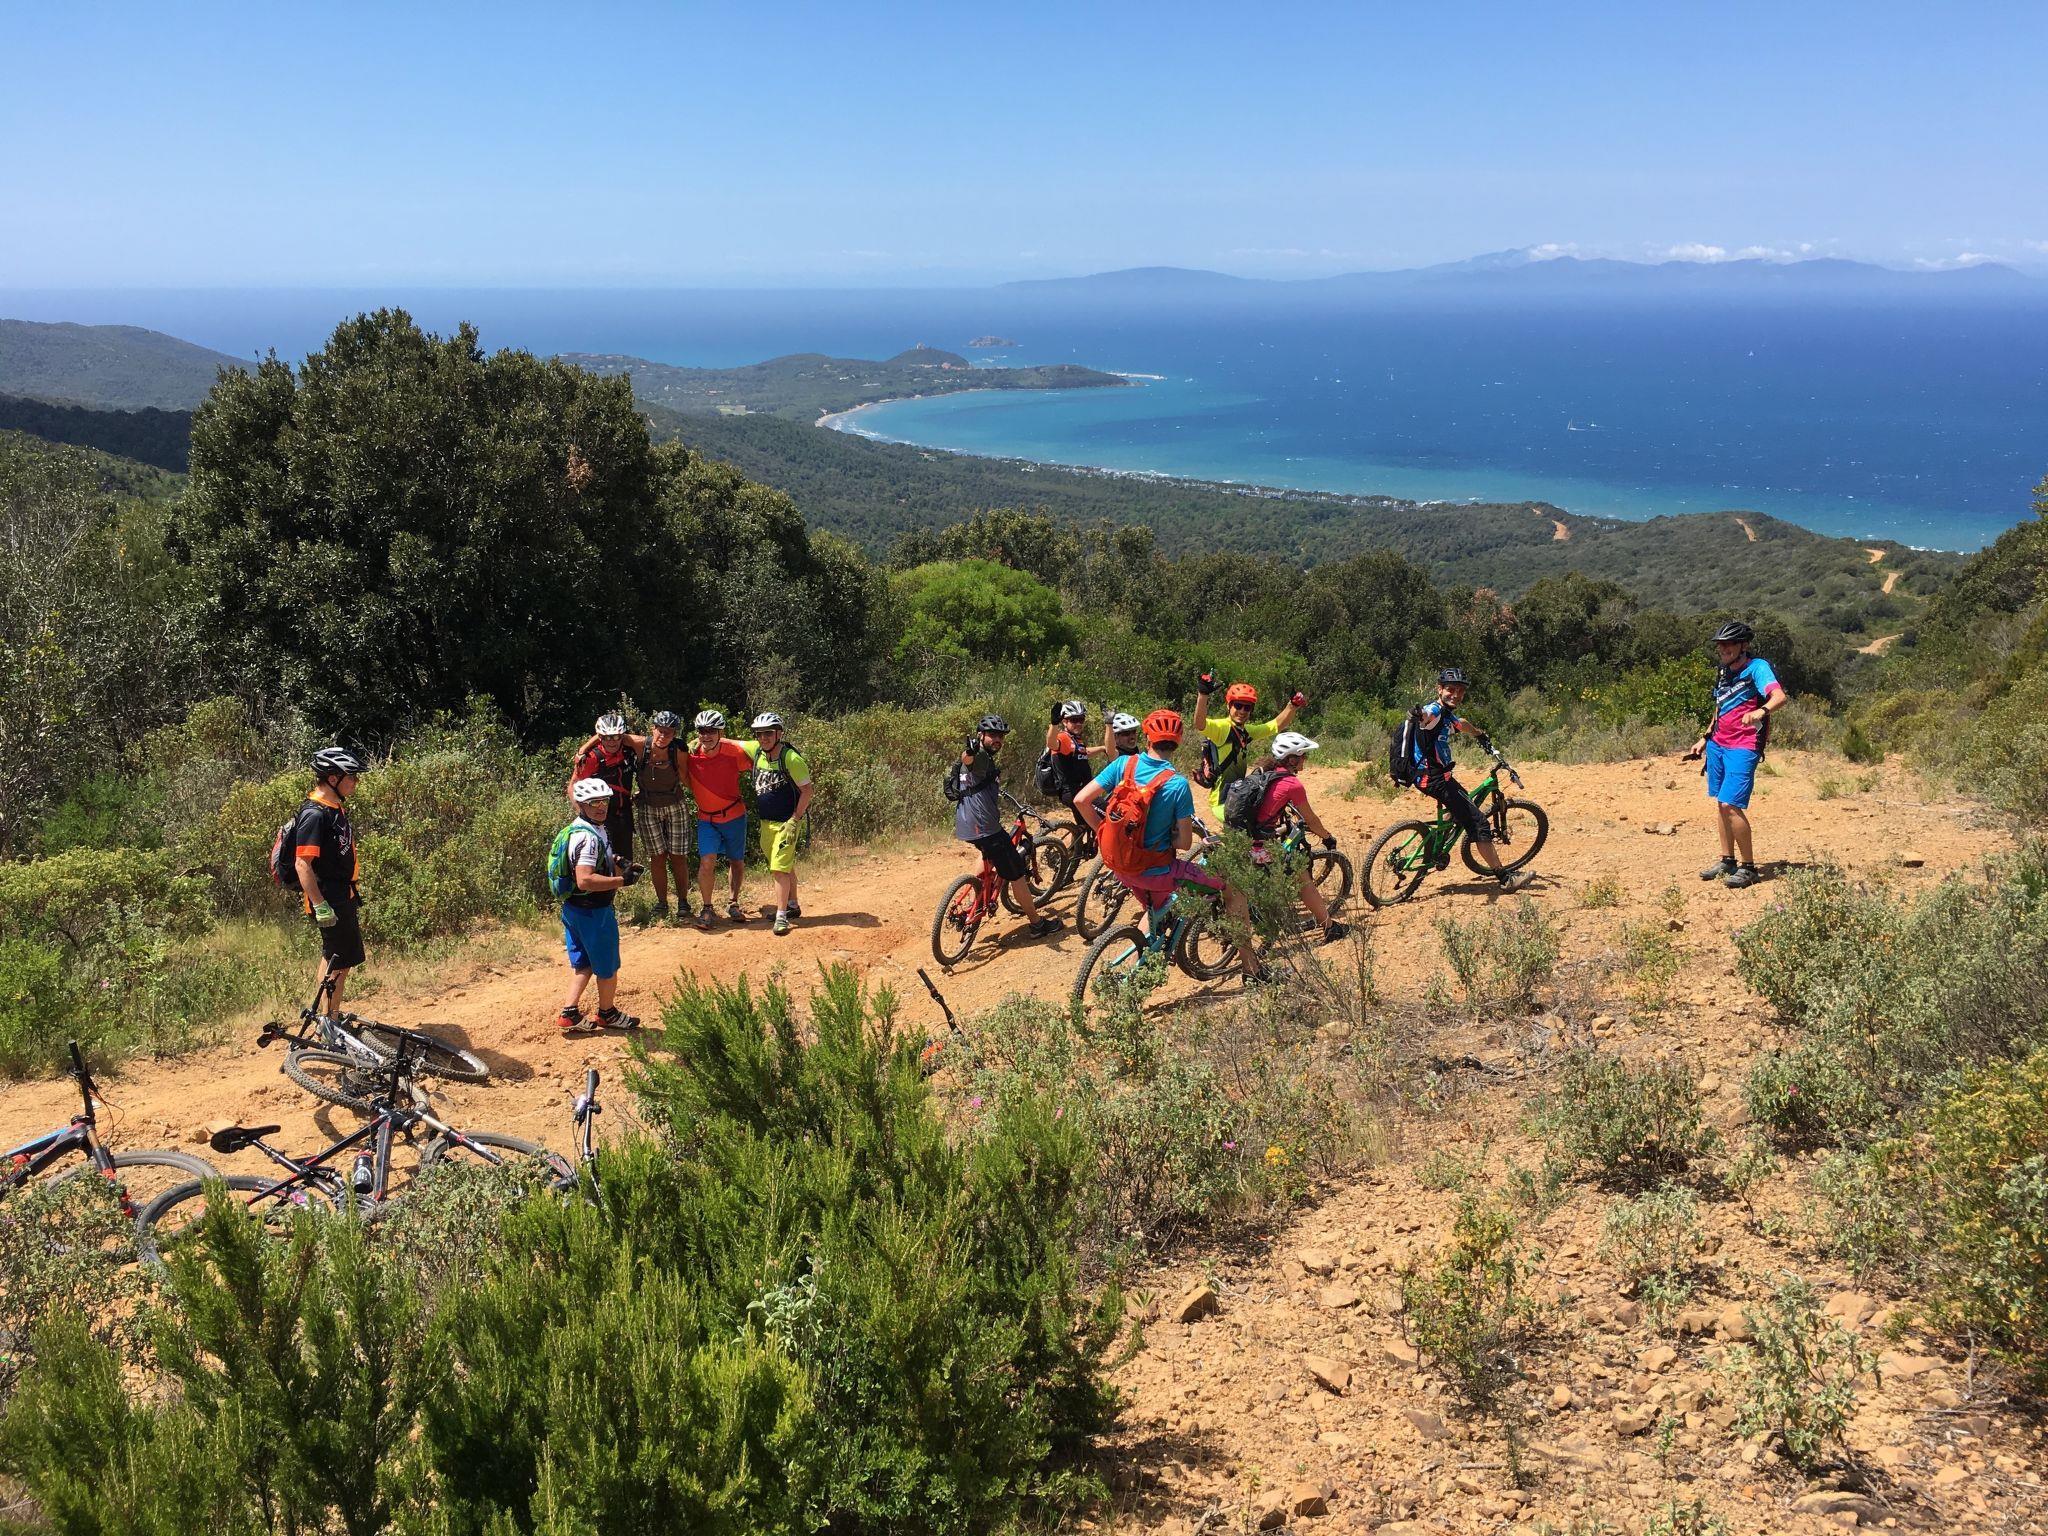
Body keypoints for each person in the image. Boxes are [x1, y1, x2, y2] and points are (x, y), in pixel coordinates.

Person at [1072, 707, 1261, 980]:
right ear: (1178, 742)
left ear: (1147, 738)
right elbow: (1184, 843)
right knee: (1233, 889)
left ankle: (1141, 966)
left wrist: (1103, 830)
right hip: (1156, 871)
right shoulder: (1177, 785)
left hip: (1120, 866)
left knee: (1157, 907)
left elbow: (1080, 800)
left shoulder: (1123, 765)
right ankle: (1252, 970)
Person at [1683, 620, 1788, 890]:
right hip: (1718, 744)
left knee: (1731, 804)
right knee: (1721, 802)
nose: (1723, 649)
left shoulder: (1757, 668)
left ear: (1743, 645)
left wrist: (1761, 711)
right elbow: (1720, 708)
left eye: (1729, 644)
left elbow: (1779, 697)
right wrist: (1705, 738)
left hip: (1744, 745)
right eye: (1720, 645)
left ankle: (1749, 868)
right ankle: (1727, 860)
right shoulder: (1723, 671)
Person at [1410, 668, 1529, 893]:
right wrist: (1419, 714)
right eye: (1450, 689)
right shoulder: (1434, 710)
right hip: (1434, 779)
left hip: (1431, 776)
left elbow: (1461, 723)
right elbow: (1427, 716)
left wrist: (1479, 734)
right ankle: (1505, 878)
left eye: (1460, 691)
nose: (1456, 694)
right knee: (1480, 824)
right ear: (1439, 689)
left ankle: (1439, 843)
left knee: (1461, 801)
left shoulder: (1447, 716)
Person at [948, 713, 1060, 938]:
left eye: (1000, 736)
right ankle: (1037, 924)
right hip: (985, 828)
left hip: (966, 824)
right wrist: (969, 752)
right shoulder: (979, 756)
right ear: (981, 735)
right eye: (992, 735)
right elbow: (970, 759)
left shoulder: (980, 759)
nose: (997, 739)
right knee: (1016, 873)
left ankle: (976, 898)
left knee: (987, 853)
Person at [555, 778, 641, 1034]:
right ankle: (607, 1013)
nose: (601, 806)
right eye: (593, 803)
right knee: (607, 967)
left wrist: (615, 859)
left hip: (573, 909)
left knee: (585, 963)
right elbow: (584, 879)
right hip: (594, 912)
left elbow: (591, 859)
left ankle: (569, 1013)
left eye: (604, 800)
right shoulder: (588, 838)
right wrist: (622, 881)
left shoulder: (581, 828)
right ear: (581, 805)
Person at [1249, 731, 1350, 944]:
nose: (1306, 759)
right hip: (1258, 845)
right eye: (1303, 755)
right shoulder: (1292, 784)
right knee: (1302, 878)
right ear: (1292, 759)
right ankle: (1330, 928)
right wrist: (1326, 837)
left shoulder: (1262, 772)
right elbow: (1310, 819)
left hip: (1243, 836)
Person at [293, 747, 366, 1013]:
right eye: (351, 776)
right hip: (328, 898)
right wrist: (320, 904)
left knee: (338, 960)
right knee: (337, 962)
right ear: (333, 778)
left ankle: (328, 1017)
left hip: (342, 894)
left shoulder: (334, 808)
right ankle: (327, 1022)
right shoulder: (314, 815)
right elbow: (302, 864)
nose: (355, 782)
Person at [1191, 673, 1303, 824]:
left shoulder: (1246, 731)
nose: (1242, 711)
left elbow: (1276, 725)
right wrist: (1203, 694)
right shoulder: (1222, 728)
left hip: (1238, 794)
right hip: (1222, 800)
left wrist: (1292, 705)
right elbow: (1200, 724)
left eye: (1247, 707)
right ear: (1229, 706)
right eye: (1238, 705)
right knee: (1252, 829)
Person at [685, 710, 759, 929]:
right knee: (707, 861)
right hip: (706, 819)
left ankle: (733, 902)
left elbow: (760, 754)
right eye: (702, 731)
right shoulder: (690, 753)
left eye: (711, 731)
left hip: (734, 815)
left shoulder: (734, 753)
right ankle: (707, 908)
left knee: (736, 861)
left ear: (720, 733)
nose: (706, 735)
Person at [747, 712, 813, 935]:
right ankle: (793, 905)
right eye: (759, 734)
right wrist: (699, 741)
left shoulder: (791, 758)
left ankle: (781, 916)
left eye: (768, 733)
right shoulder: (758, 752)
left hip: (787, 823)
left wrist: (795, 819)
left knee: (778, 869)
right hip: (767, 823)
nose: (763, 738)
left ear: (779, 734)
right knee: (785, 866)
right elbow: (732, 744)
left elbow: (807, 790)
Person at [626, 711, 693, 924]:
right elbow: (608, 735)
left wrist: (708, 798)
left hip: (675, 804)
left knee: (678, 856)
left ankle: (683, 902)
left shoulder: (678, 751)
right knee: (657, 857)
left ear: (675, 734)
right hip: (648, 806)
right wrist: (582, 751)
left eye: (669, 732)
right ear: (652, 728)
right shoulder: (639, 745)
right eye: (660, 731)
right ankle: (662, 903)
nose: (663, 736)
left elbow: (686, 777)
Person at [568, 713, 637, 867]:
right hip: (601, 815)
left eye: (616, 736)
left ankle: (621, 883)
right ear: (600, 737)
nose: (612, 741)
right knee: (603, 862)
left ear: (622, 735)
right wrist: (583, 814)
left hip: (624, 813)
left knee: (625, 863)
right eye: (607, 737)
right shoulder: (591, 758)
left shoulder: (628, 750)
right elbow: (573, 786)